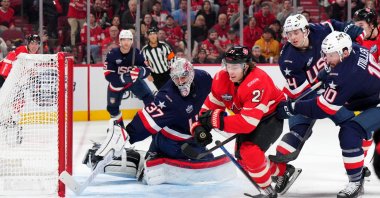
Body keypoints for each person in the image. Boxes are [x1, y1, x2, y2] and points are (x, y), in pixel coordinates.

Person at [84, 58, 236, 185]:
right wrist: (125, 135)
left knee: (155, 165)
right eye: (176, 78)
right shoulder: (167, 97)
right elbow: (145, 121)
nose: (180, 82)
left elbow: (216, 97)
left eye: (183, 77)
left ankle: (151, 157)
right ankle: (151, 157)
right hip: (173, 143)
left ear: (191, 73)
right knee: (205, 165)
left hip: (188, 138)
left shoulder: (203, 78)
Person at [272, 14, 373, 194]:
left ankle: (358, 171)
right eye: (289, 33)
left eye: (296, 32)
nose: (293, 37)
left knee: (354, 129)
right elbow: (300, 93)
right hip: (308, 96)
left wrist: (347, 27)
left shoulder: (319, 30)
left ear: (306, 30)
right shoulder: (287, 59)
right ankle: (283, 171)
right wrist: (321, 86)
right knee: (296, 134)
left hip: (332, 92)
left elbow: (334, 25)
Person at [190, 46, 301, 197]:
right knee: (243, 160)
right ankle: (284, 171)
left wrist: (216, 121)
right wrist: (198, 127)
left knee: (249, 152)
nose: (230, 71)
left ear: (246, 66)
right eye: (228, 66)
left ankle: (268, 191)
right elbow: (207, 109)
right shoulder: (221, 78)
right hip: (248, 116)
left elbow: (247, 124)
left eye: (235, 66)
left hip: (270, 115)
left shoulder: (257, 81)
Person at [104, 29, 154, 128]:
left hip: (134, 82)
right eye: (123, 39)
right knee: (112, 108)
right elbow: (107, 74)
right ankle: (119, 128)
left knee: (150, 99)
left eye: (129, 39)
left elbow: (148, 69)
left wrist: (140, 72)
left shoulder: (137, 53)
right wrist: (122, 79)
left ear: (132, 41)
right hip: (117, 85)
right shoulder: (112, 54)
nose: (126, 42)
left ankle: (153, 124)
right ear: (120, 41)